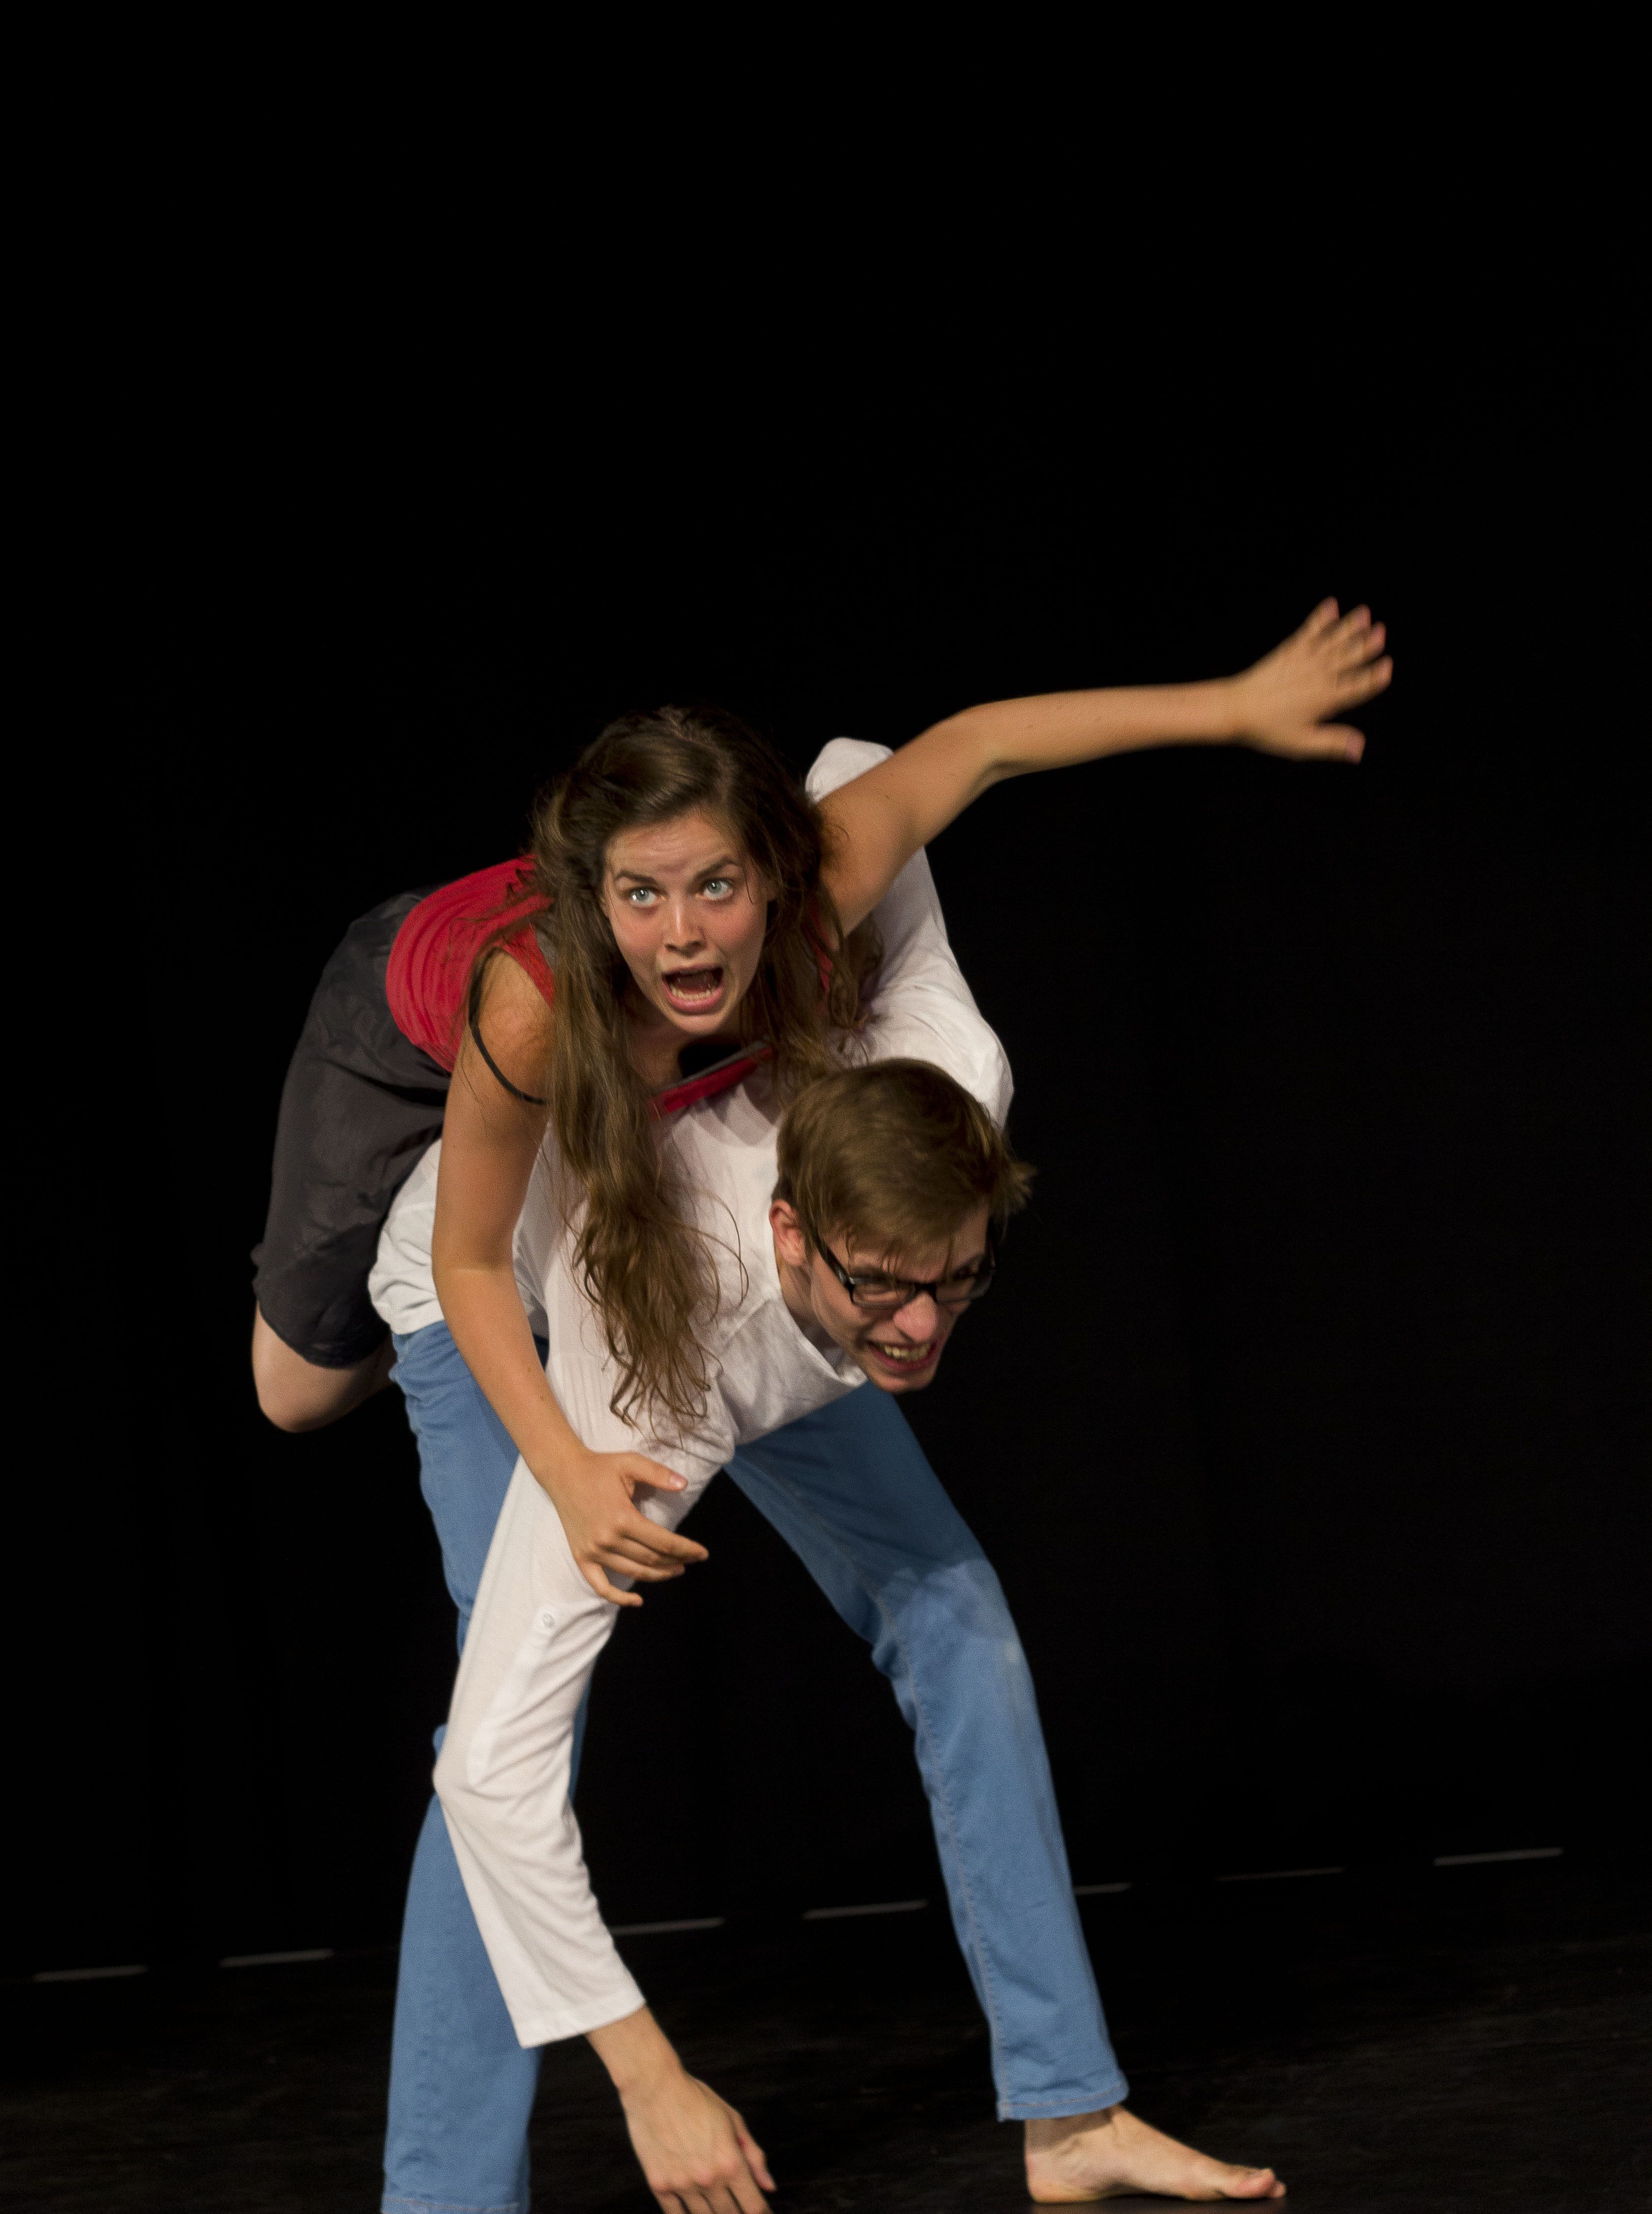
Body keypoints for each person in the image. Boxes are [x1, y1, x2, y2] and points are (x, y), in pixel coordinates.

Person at [249, 603, 1388, 2208]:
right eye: (646, 895)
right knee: (327, 1443)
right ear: (598, 898)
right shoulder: (541, 1012)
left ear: (778, 876)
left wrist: (1232, 703)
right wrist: (565, 1467)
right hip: (441, 1151)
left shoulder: (851, 983)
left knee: (955, 1613)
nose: (689, 932)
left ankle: (1068, 2112)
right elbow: (477, 1260)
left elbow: (950, 750)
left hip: (688, 1255)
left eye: (720, 885)